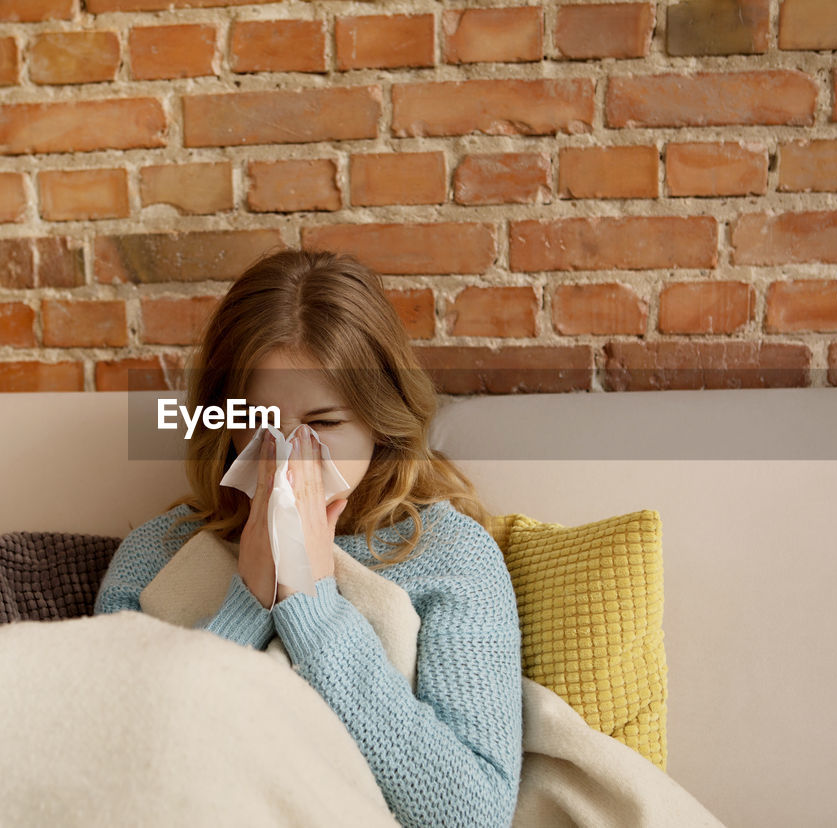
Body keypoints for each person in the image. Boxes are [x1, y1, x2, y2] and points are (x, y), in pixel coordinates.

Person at [94, 249, 523, 827]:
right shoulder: (156, 555)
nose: (290, 455)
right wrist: (250, 600)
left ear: (380, 419)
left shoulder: (451, 558)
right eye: (260, 423)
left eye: (323, 424)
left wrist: (311, 606)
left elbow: (474, 817)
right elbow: (105, 769)